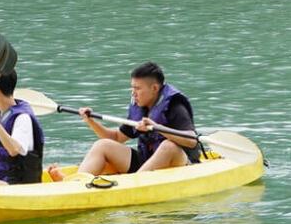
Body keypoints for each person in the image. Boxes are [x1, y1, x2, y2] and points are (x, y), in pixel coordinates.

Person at [47, 62, 199, 181]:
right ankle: (76, 183)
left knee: (168, 146)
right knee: (103, 145)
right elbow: (116, 138)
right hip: (148, 163)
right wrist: (91, 121)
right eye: (132, 88)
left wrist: (157, 127)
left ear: (154, 88)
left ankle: (132, 184)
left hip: (182, 164)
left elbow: (191, 140)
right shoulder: (139, 106)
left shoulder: (174, 106)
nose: (133, 92)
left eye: (138, 88)